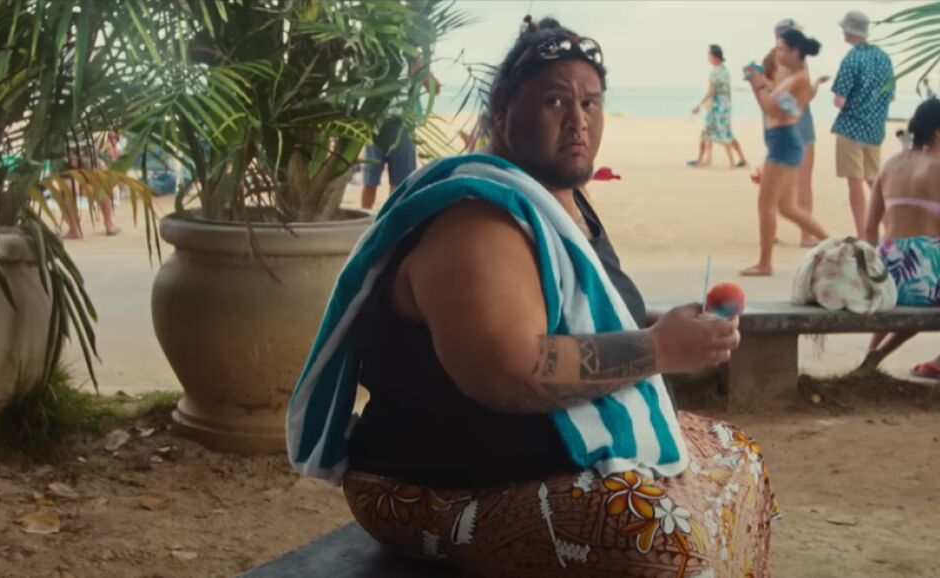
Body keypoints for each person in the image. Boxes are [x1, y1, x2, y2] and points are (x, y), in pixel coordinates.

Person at [287, 16, 776, 577]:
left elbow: (577, 316)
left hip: (525, 459)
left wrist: (677, 330)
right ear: (502, 111)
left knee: (738, 459)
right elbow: (510, 374)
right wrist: (658, 349)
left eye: (590, 103)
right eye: (554, 100)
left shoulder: (558, 201)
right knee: (663, 534)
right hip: (433, 485)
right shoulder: (476, 222)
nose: (577, 120)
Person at [861, 99, 940, 370]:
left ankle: (870, 356)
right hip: (925, 263)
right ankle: (879, 354)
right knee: (931, 293)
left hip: (887, 261)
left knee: (898, 292)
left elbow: (869, 229)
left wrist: (874, 269)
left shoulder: (889, 165)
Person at [740, 29, 829, 276]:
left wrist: (757, 84)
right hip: (782, 139)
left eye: (781, 49)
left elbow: (771, 109)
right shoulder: (792, 78)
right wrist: (760, 84)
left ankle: (765, 263)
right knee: (787, 207)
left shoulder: (798, 79)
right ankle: (833, 243)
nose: (777, 53)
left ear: (794, 51)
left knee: (766, 204)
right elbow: (774, 108)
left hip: (783, 141)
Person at [831, 10, 895, 239]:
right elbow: (890, 96)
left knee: (855, 183)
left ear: (849, 31)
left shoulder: (852, 59)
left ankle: (863, 233)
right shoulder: (883, 58)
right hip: (875, 129)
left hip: (851, 129)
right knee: (874, 182)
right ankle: (890, 229)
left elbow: (839, 100)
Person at [773, 19, 831, 247]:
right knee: (803, 183)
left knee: (779, 182)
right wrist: (815, 84)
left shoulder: (774, 62)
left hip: (781, 128)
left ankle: (773, 231)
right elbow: (801, 100)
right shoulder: (796, 66)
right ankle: (806, 235)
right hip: (800, 125)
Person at [360, 57, 440, 210]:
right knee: (370, 182)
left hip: (402, 126)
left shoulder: (411, 56)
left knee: (399, 186)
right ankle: (365, 221)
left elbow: (435, 90)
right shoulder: (376, 52)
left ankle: (392, 221)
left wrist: (422, 72)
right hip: (375, 123)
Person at [688, 44, 748, 169]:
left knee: (715, 132)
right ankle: (741, 159)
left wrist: (699, 105)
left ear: (715, 56)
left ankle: (730, 163)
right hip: (725, 106)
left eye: (709, 55)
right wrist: (727, 105)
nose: (708, 57)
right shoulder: (725, 71)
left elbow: (710, 91)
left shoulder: (714, 73)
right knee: (725, 133)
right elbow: (728, 91)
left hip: (716, 107)